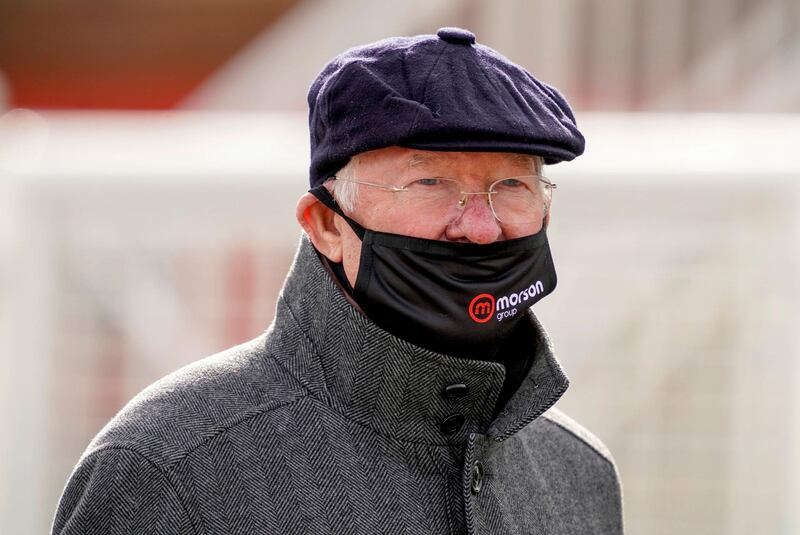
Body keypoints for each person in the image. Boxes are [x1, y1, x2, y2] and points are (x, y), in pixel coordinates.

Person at [53, 27, 624, 534]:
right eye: (429, 183)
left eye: (513, 186)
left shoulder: (578, 473)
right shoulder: (167, 470)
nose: (480, 227)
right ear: (326, 224)